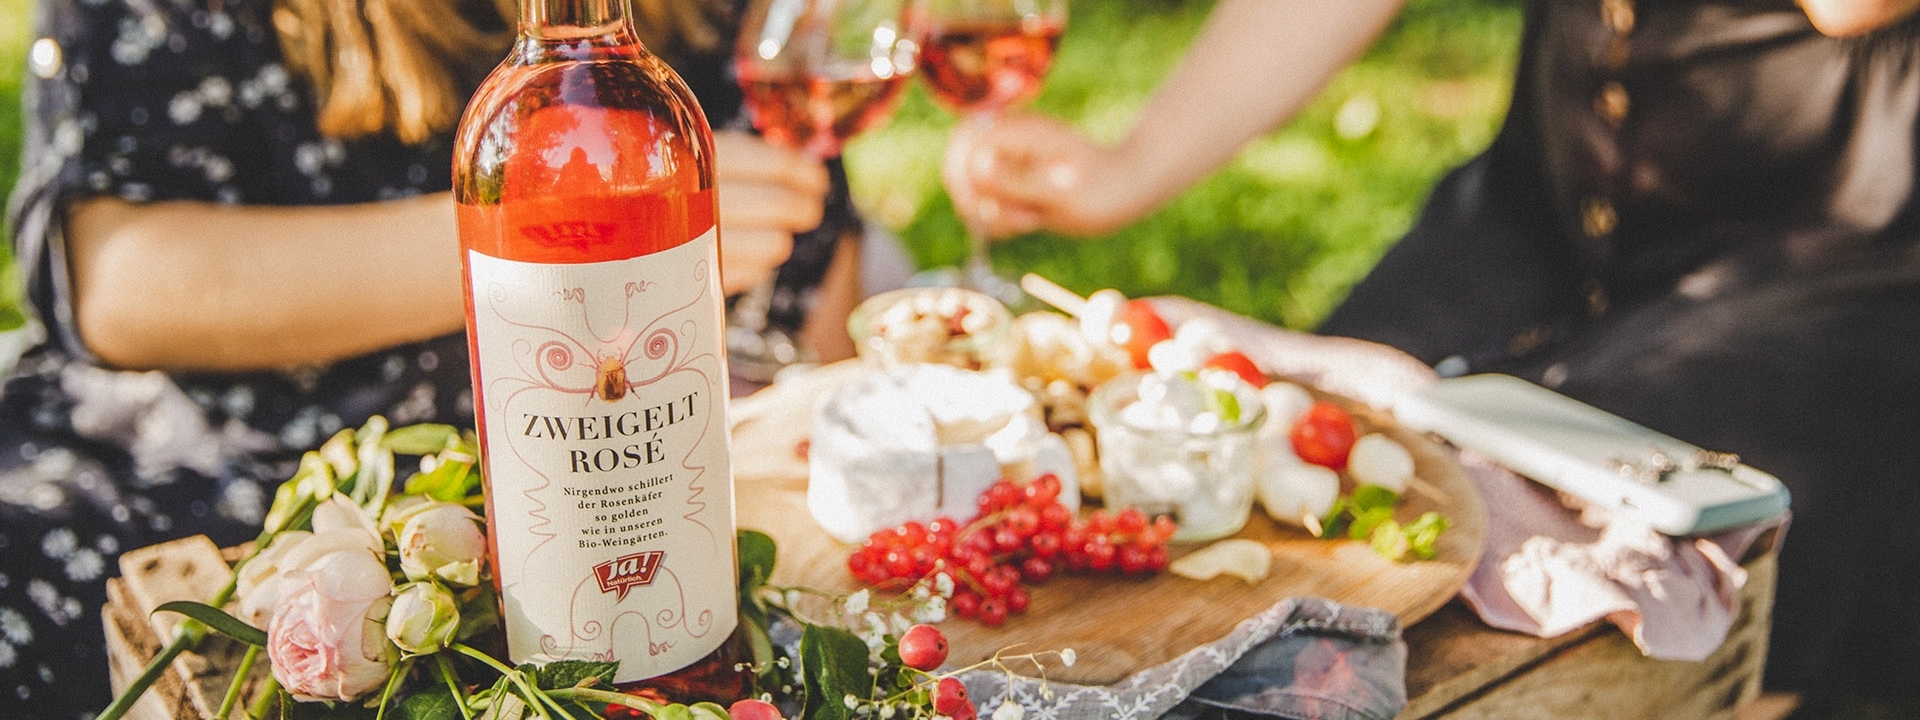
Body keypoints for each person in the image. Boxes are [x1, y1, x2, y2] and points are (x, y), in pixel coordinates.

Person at [944, 0, 1920, 714]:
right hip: (1546, 204)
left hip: (1850, 238)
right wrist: (1132, 165)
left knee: (1634, 564)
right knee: (1322, 486)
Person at [0, 0, 862, 715]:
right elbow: (109, 281)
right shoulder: (505, 119)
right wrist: (550, 233)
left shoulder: (668, 74)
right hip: (225, 479)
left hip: (635, 524)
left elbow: (819, 253)